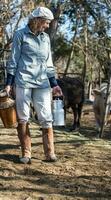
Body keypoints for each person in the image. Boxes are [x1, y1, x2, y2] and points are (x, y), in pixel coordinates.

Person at [4, 7, 62, 164]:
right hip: (23, 81)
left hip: (42, 83)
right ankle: (26, 152)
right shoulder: (20, 35)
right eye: (46, 22)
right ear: (37, 20)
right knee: (23, 117)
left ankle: (49, 153)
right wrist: (9, 83)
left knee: (46, 117)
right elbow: (14, 59)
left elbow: (49, 63)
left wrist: (54, 84)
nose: (48, 26)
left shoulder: (45, 38)